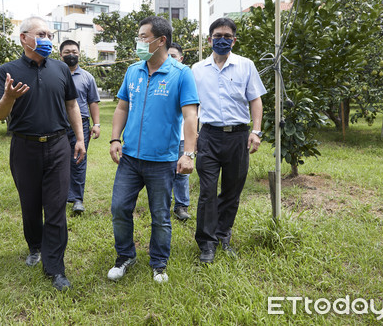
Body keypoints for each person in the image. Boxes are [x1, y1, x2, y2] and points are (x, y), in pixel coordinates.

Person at [0, 16, 86, 291]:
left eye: (49, 34)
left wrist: (79, 138)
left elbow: (72, 106)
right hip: (24, 147)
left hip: (58, 145)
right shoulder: (7, 71)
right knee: (30, 204)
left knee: (56, 207)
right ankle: (35, 247)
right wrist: (9, 96)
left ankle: (55, 267)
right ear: (24, 38)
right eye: (41, 33)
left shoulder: (60, 69)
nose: (47, 38)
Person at [108, 16, 199, 283]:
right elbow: (122, 107)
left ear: (161, 40)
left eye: (143, 37)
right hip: (130, 159)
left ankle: (159, 263)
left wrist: (189, 153)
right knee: (119, 208)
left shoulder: (181, 74)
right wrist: (115, 139)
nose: (138, 42)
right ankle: (125, 256)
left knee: (160, 215)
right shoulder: (133, 71)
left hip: (162, 161)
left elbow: (191, 116)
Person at [192, 17, 266, 264]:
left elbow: (255, 99)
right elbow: (191, 107)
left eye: (226, 36)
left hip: (238, 136)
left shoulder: (246, 66)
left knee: (232, 190)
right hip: (209, 136)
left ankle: (223, 235)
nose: (221, 40)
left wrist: (256, 131)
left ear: (234, 39)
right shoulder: (197, 69)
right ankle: (206, 243)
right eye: (217, 36)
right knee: (207, 191)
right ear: (209, 38)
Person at [59, 40, 101, 215]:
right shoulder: (55, 74)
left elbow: (93, 102)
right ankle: (58, 197)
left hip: (81, 124)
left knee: (78, 160)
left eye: (75, 52)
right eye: (67, 51)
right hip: (58, 123)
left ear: (79, 54)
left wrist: (96, 124)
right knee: (58, 161)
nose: (71, 55)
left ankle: (77, 199)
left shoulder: (87, 77)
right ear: (60, 55)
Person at [167, 42, 191, 221]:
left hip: (181, 137)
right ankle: (163, 203)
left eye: (173, 56)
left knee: (181, 173)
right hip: (163, 137)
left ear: (181, 59)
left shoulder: (185, 77)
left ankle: (181, 206)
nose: (169, 60)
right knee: (164, 172)